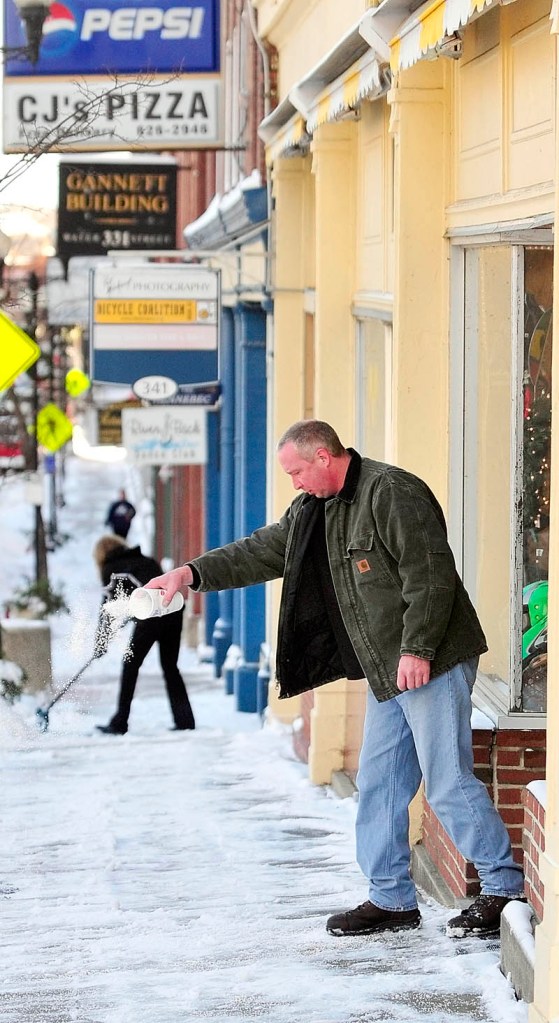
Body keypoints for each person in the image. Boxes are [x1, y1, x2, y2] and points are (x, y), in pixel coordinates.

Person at [144, 419, 525, 938]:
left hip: (428, 659)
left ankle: (505, 890)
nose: (294, 483)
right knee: (380, 783)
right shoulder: (313, 511)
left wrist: (418, 648)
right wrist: (188, 574)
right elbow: (260, 550)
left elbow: (429, 575)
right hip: (386, 669)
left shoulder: (391, 492)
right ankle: (391, 900)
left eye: (297, 471)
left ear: (324, 457)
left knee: (447, 781)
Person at [93, 534, 195, 735]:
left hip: (151, 616)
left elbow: (108, 608)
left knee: (130, 665)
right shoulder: (145, 560)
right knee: (170, 666)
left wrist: (101, 642)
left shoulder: (111, 569)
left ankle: (120, 721)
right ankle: (185, 720)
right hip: (173, 611)